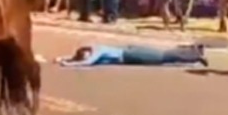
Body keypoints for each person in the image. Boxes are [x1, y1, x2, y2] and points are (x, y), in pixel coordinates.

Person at [56, 44, 209, 68]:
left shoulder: (98, 50)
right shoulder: (97, 52)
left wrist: (70, 65)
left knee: (163, 57)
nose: (85, 57)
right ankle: (192, 52)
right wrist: (64, 59)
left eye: (84, 54)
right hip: (130, 54)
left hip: (130, 54)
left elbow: (89, 62)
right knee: (164, 57)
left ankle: (195, 54)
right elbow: (83, 60)